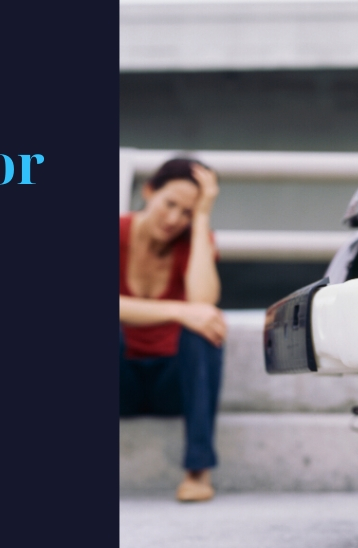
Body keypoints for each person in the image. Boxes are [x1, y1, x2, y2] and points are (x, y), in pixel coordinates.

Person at [119, 158, 226, 502]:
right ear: (149, 191)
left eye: (188, 212)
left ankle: (198, 470)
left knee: (206, 327)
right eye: (170, 204)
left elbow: (203, 303)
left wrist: (202, 220)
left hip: (173, 384)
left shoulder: (195, 240)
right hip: (121, 380)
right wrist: (178, 311)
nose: (174, 219)